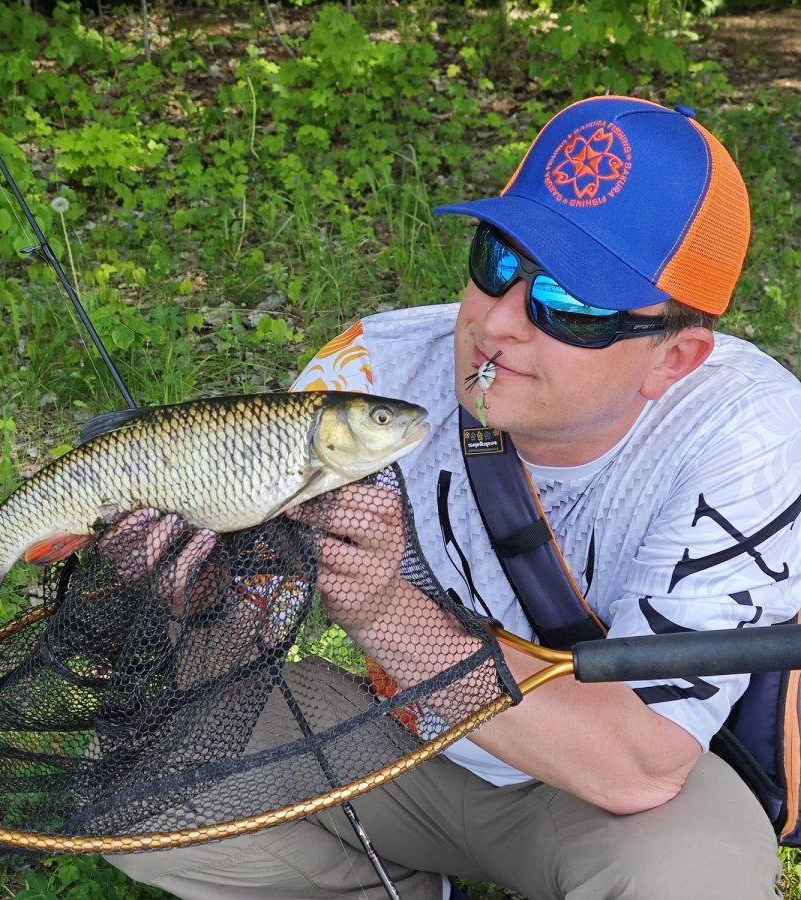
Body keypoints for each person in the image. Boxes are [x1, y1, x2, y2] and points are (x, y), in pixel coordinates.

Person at [105, 95, 801, 898]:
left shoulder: (750, 434)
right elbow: (227, 659)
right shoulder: (367, 381)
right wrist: (188, 600)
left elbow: (640, 770)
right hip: (400, 748)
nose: (498, 322)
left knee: (687, 885)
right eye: (497, 260)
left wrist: (384, 611)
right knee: (134, 771)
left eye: (571, 305)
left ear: (674, 359)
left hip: (608, 794)